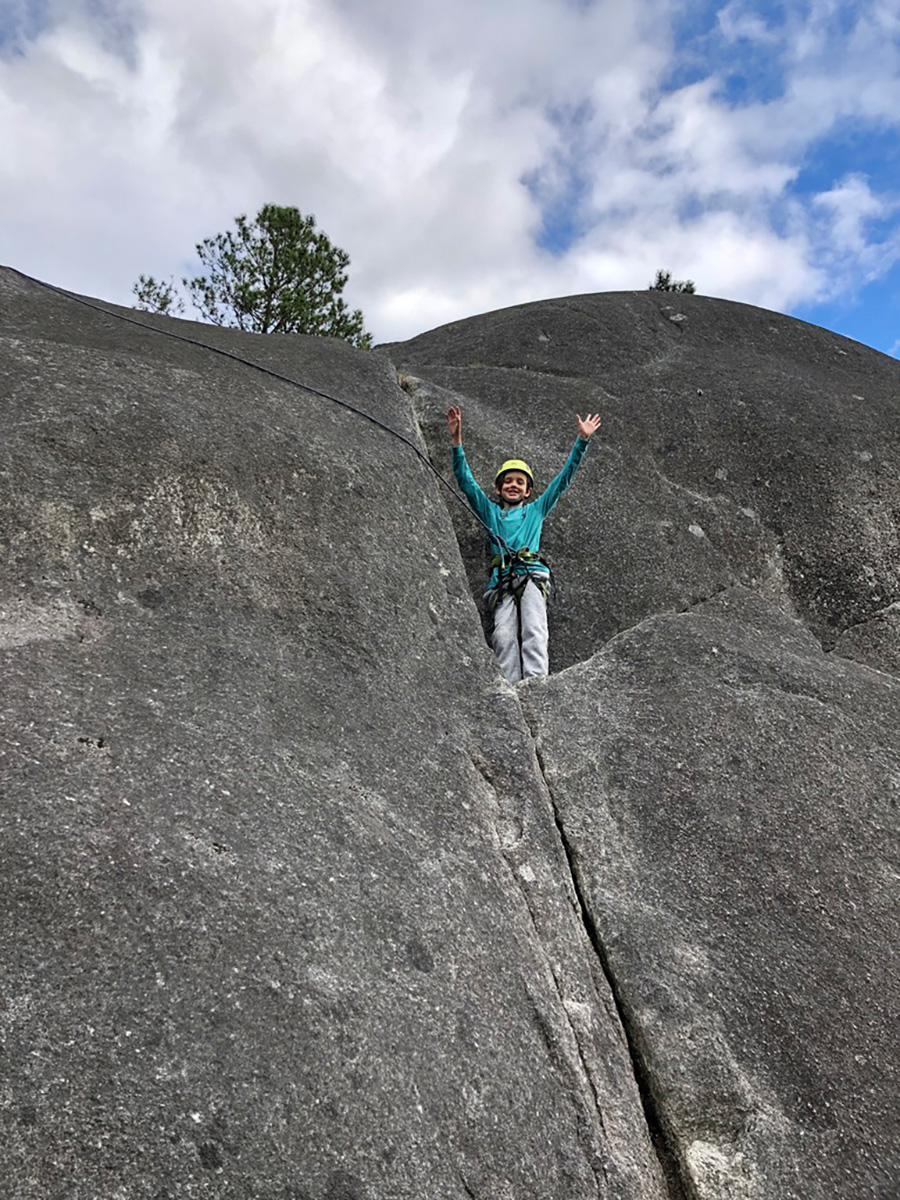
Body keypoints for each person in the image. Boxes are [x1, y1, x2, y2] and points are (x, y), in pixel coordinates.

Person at [446, 405, 601, 683]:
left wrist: (582, 441)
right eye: (507, 482)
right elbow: (466, 483)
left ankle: (536, 684)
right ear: (498, 488)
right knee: (503, 635)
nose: (513, 486)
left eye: (520, 482)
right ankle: (512, 687)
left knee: (534, 627)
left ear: (529, 491)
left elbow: (563, 480)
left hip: (531, 574)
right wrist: (457, 443)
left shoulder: (536, 511)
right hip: (502, 580)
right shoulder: (489, 512)